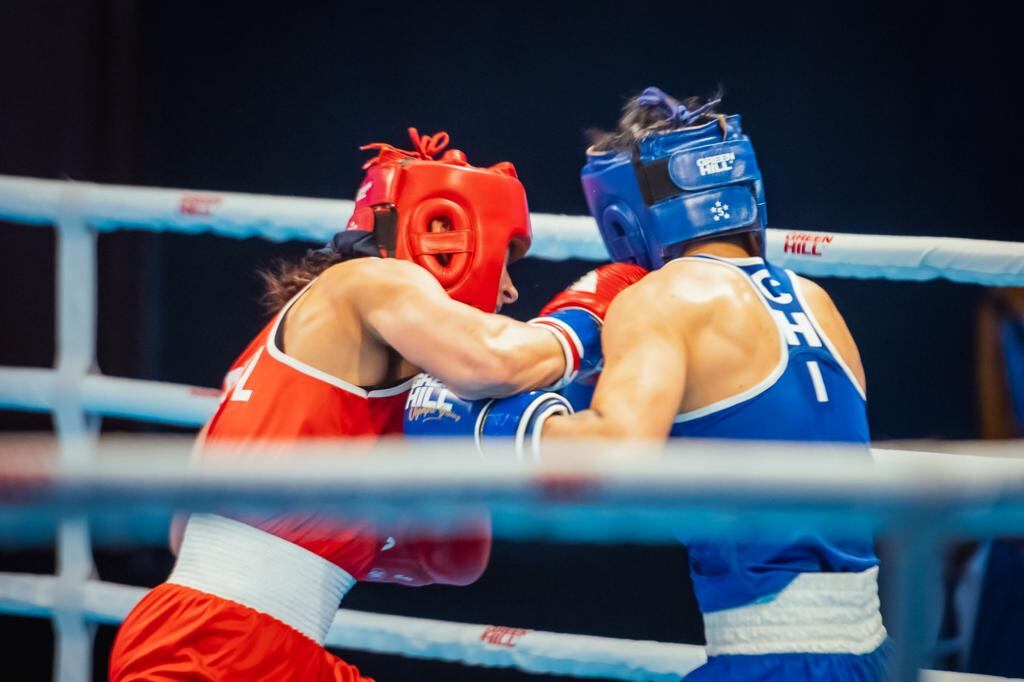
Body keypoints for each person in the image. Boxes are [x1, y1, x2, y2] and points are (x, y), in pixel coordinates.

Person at [108, 128, 639, 681]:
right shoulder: (370, 282)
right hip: (221, 649)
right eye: (505, 260)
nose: (509, 290)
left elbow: (182, 531)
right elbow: (493, 362)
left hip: (228, 639)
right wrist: (592, 308)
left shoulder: (290, 350)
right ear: (441, 233)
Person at [410, 89, 888, 680]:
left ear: (622, 213)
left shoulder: (660, 300)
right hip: (871, 652)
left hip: (770, 662)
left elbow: (615, 453)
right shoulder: (816, 300)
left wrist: (484, 425)